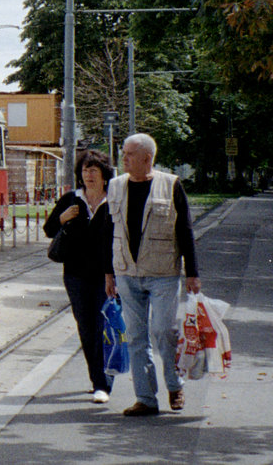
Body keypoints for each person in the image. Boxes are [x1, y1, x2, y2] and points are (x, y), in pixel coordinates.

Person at [105, 132, 201, 416]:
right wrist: (108, 273)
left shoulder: (170, 185)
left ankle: (175, 384)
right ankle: (146, 398)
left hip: (162, 272)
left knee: (163, 331)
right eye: (123, 153)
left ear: (147, 158)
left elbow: (185, 230)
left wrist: (193, 273)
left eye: (129, 154)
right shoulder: (116, 186)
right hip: (126, 272)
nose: (124, 158)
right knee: (135, 336)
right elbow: (107, 233)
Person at [44, 149, 115, 403]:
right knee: (86, 328)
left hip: (107, 276)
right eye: (85, 170)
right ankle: (99, 381)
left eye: (94, 170)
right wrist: (62, 219)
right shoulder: (71, 199)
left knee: (105, 327)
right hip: (75, 275)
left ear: (104, 174)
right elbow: (49, 229)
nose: (89, 175)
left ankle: (106, 380)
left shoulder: (115, 199)